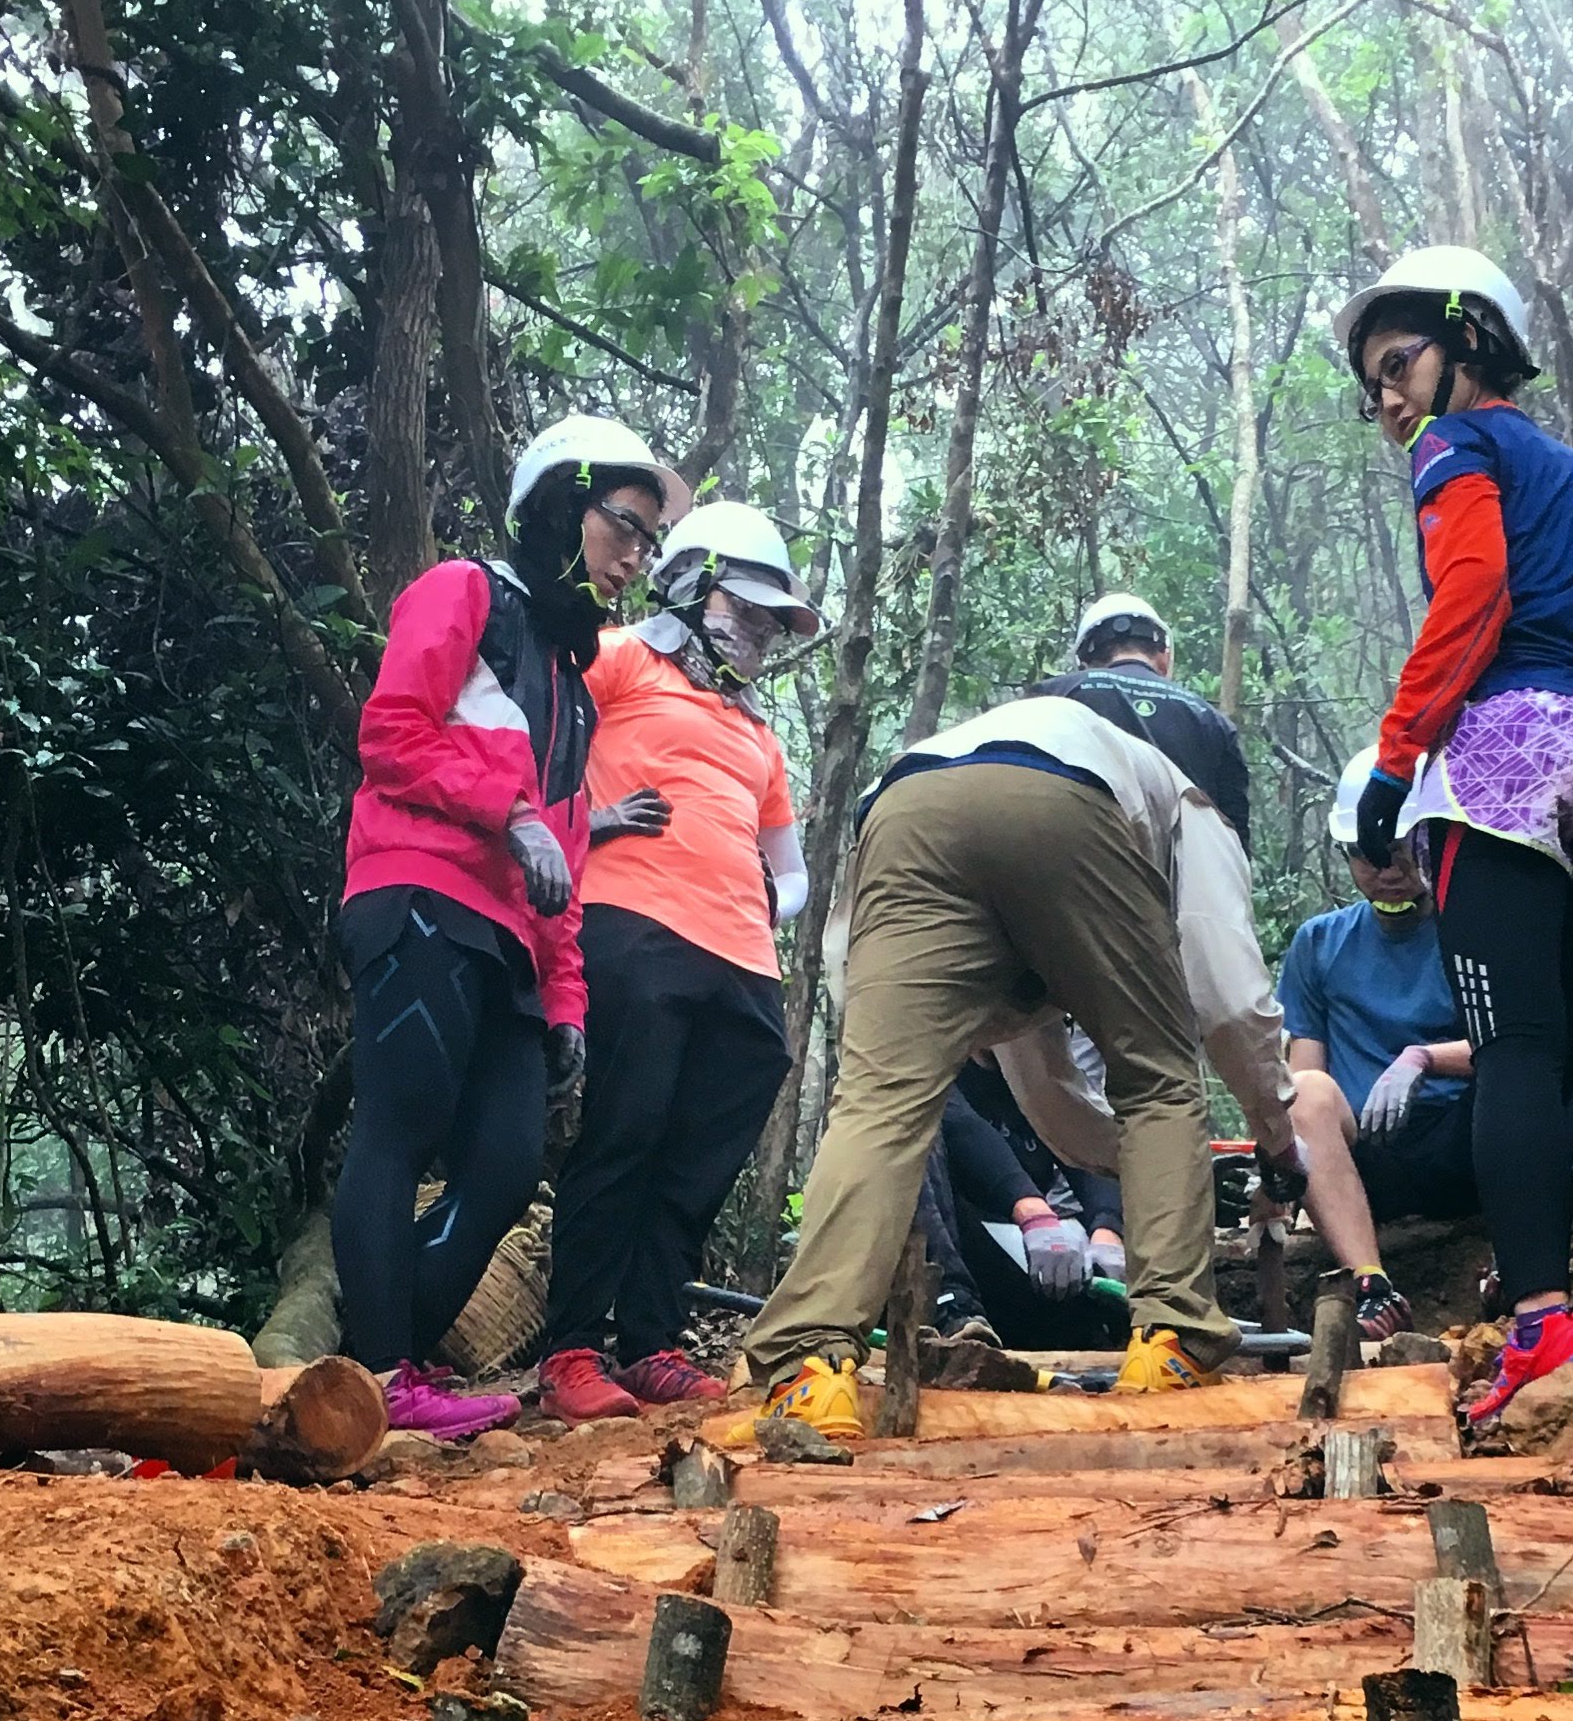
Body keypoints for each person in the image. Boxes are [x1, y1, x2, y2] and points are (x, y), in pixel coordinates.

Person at [1332, 244, 1573, 1427]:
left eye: (1400, 365)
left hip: (1514, 754)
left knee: (1514, 1055)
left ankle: (1544, 1324)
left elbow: (1475, 589)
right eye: (1373, 383)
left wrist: (1398, 758)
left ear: (1470, 344)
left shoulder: (1459, 446)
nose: (1389, 399)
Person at [738, 693, 1302, 1439]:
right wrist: (1277, 1136)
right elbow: (1230, 1005)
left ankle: (808, 1371)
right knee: (1159, 1073)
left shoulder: (1017, 738)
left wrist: (1112, 1168)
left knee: (879, 1101)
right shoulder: (1194, 805)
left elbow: (1044, 1081)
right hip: (1060, 801)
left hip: (901, 808)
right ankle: (1173, 1339)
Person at [330, 413, 688, 1439]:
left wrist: (567, 1003)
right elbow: (391, 733)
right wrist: (510, 811)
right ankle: (381, 1373)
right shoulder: (465, 591)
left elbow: (564, 862)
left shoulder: (576, 697)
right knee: (399, 1129)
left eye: (648, 541)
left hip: (517, 946)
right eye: (623, 524)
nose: (635, 557)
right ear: (557, 506)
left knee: (500, 1168)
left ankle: (382, 1370)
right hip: (420, 895)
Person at [534, 503, 816, 1424]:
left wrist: (775, 897)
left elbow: (794, 867)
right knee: (626, 1129)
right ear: (693, 590)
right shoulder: (620, 658)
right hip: (635, 927)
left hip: (743, 958)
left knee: (699, 1156)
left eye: (774, 622)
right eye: (750, 610)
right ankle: (573, 1347)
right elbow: (534, 741)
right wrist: (592, 823)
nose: (761, 634)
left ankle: (652, 1342)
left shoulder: (757, 734)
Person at [1277, 749, 1479, 1342]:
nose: (1383, 870)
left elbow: (1517, 1045)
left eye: (1396, 852)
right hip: (1370, 1156)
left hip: (1466, 1138)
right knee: (1306, 1091)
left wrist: (1424, 1058)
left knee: (1517, 1081)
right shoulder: (1319, 944)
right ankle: (1371, 1281)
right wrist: (1281, 1177)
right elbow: (1302, 1081)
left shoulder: (1473, 929)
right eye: (1366, 854)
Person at [918, 1063, 1128, 1352]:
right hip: (950, 1259)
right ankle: (953, 1309)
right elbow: (963, 1127)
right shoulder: (932, 1072)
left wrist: (1107, 1230)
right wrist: (1033, 1212)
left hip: (1029, 1267)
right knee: (917, 1131)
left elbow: (1092, 1147)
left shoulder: (1040, 1081)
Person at [1029, 592, 1251, 847]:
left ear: (1085, 662)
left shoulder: (1051, 697)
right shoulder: (1213, 722)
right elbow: (1235, 843)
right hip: (1177, 880)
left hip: (1080, 866)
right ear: (1165, 658)